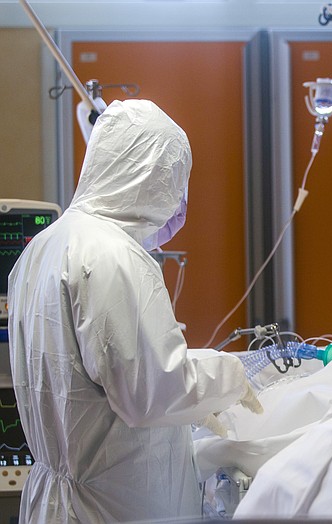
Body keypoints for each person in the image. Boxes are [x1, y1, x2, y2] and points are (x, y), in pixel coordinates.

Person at [7, 99, 262, 523]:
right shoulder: (112, 256)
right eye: (176, 183)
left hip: (60, 497)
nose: (179, 204)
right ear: (151, 175)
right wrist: (231, 376)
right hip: (114, 506)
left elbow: (101, 376)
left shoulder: (45, 248)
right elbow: (150, 392)